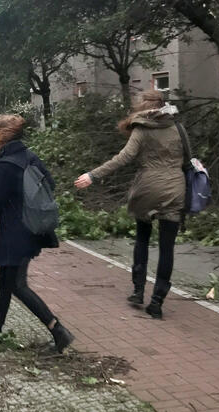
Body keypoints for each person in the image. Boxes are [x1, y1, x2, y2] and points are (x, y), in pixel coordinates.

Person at [0, 114, 74, 353]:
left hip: (16, 232)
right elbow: (50, 183)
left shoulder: (7, 163)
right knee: (5, 280)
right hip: (30, 228)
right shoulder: (28, 156)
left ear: (1, 134)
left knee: (17, 284)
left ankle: (58, 330)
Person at [74, 90, 186, 320]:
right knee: (167, 248)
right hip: (175, 188)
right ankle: (157, 302)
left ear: (143, 107)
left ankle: (137, 291)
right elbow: (189, 160)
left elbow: (123, 158)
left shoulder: (142, 129)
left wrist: (92, 175)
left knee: (142, 239)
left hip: (148, 188)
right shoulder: (178, 128)